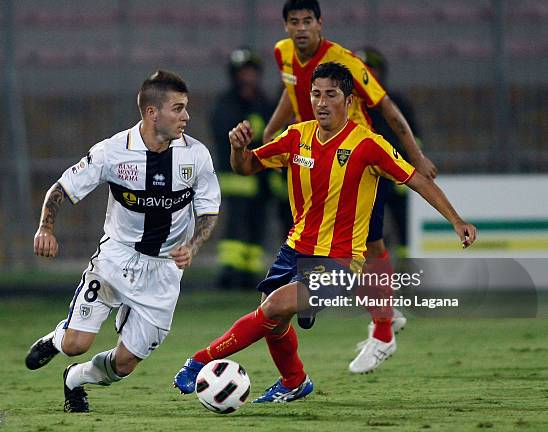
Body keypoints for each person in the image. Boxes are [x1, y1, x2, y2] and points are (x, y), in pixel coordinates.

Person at [173, 62, 476, 402]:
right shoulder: (296, 136)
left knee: (273, 308)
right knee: (274, 322)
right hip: (294, 249)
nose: (321, 102)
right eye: (316, 94)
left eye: (331, 94)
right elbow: (246, 168)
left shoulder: (367, 145)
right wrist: (237, 148)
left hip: (340, 259)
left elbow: (417, 179)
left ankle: (199, 361)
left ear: (348, 100)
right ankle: (294, 382)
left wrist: (456, 220)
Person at [25, 70, 220, 413]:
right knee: (76, 343)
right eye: (178, 108)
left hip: (163, 271)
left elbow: (208, 210)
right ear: (151, 113)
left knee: (124, 364)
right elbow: (61, 190)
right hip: (116, 259)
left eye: (186, 108)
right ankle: (58, 338)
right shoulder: (112, 152)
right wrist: (45, 228)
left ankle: (76, 379)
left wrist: (193, 246)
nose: (186, 116)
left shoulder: (196, 156)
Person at [261, 0, 438, 362]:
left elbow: (386, 107)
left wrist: (417, 157)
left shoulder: (345, 63)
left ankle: (384, 328)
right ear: (285, 27)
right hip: (312, 155)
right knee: (322, 240)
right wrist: (269, 131)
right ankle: (370, 311)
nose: (301, 28)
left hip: (353, 163)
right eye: (294, 22)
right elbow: (291, 91)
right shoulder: (282, 54)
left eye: (307, 21)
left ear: (320, 23)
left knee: (368, 246)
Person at [211, 48, 276, 289]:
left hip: (260, 181)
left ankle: (250, 275)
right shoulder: (227, 104)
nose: (247, 77)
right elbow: (226, 138)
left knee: (256, 230)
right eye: (243, 72)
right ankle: (230, 274)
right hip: (237, 182)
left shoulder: (263, 102)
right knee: (235, 229)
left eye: (251, 72)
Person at [356, 46, 420, 259]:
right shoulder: (350, 104)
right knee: (368, 229)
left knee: (402, 223)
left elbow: (414, 138)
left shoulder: (395, 103)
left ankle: (405, 265)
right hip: (366, 177)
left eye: (371, 68)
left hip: (395, 175)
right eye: (363, 68)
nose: (368, 74)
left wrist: (407, 169)